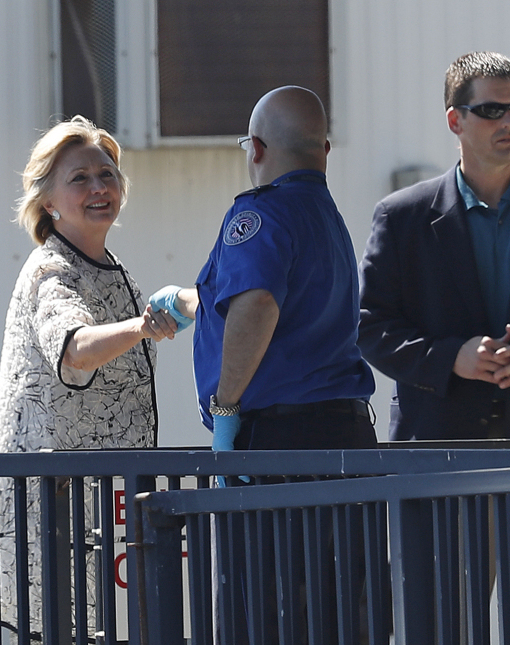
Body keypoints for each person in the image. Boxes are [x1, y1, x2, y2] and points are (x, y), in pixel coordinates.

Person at [149, 86, 376, 644]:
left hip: (279, 442)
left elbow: (258, 304)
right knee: (338, 613)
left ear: (255, 148)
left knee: (265, 613)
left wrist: (225, 407)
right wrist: (192, 298)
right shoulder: (329, 220)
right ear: (324, 149)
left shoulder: (260, 212)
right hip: (345, 435)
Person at [0, 115, 175, 640]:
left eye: (106, 175)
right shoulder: (52, 269)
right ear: (48, 202)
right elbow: (74, 350)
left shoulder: (110, 266)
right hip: (53, 507)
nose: (99, 187)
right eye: (79, 178)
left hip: (97, 506)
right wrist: (142, 326)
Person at [359, 51, 510, 440]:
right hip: (441, 452)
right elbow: (372, 327)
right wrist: (451, 358)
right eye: (492, 110)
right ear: (456, 120)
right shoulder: (402, 217)